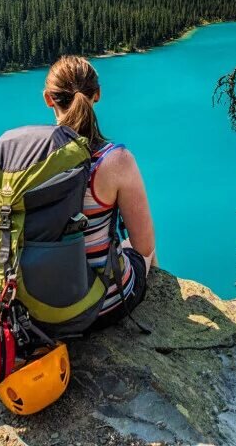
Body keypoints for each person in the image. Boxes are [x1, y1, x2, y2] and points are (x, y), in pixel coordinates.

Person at [43, 55, 156, 328]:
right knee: (149, 250)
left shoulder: (25, 157)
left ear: (48, 99)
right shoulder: (116, 160)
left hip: (36, 306)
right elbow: (144, 246)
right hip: (100, 305)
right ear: (97, 95)